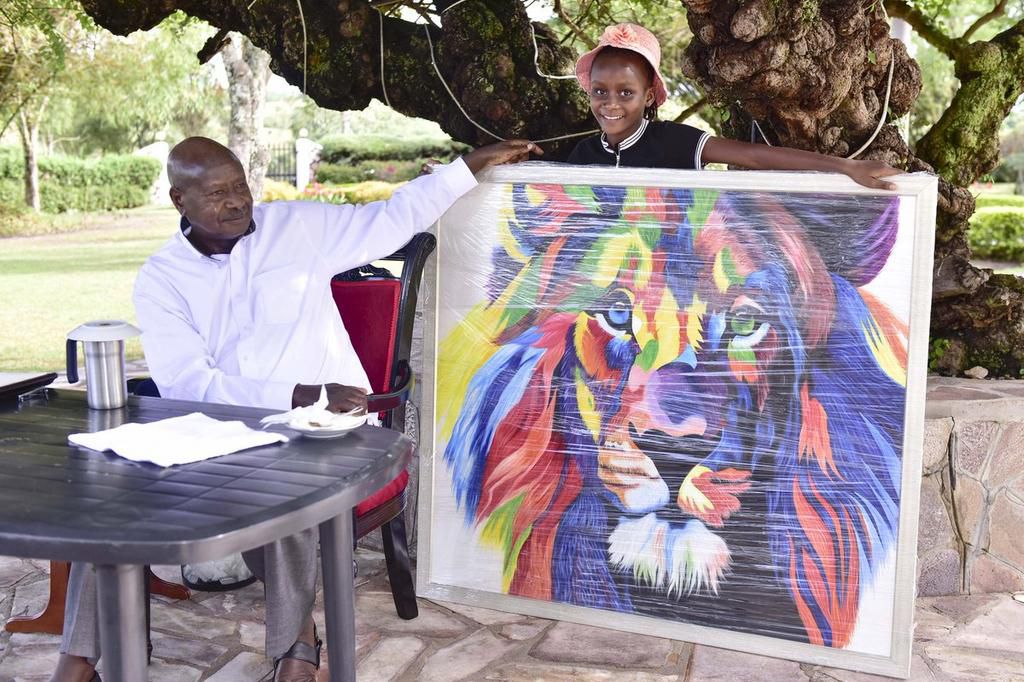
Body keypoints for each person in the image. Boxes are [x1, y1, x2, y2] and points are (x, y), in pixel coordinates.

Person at [50, 135, 540, 682]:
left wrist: (469, 166)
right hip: (216, 433)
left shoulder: (297, 228)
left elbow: (393, 215)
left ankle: (297, 647)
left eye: (241, 187)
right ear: (178, 200)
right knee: (111, 498)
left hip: (325, 429)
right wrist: (298, 391)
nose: (237, 202)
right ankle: (78, 660)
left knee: (283, 487)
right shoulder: (162, 278)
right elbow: (187, 382)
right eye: (218, 193)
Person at [567, 22, 900, 190]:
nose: (610, 104)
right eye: (599, 91)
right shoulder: (581, 155)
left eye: (626, 93)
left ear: (650, 96)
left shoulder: (672, 141)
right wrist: (512, 154)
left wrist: (846, 168)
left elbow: (754, 156)